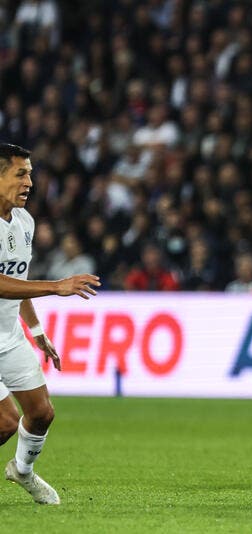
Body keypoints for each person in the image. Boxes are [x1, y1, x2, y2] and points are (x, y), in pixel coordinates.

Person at [0, 143, 101, 505]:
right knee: (5, 422)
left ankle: (22, 471)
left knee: (41, 413)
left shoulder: (24, 221)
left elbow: (16, 281)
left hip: (9, 336)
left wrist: (37, 331)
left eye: (30, 173)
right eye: (20, 173)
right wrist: (56, 287)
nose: (30, 181)